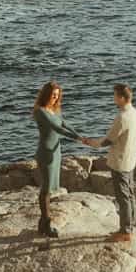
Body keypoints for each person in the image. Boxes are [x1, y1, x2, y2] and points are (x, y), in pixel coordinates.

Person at [32, 80, 99, 237]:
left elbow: (65, 124)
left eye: (57, 95)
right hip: (45, 152)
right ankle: (46, 223)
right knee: (46, 188)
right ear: (46, 95)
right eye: (52, 95)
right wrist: (77, 139)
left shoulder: (54, 110)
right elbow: (57, 129)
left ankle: (42, 223)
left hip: (56, 152)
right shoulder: (40, 112)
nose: (55, 98)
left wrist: (80, 136)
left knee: (50, 187)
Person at [99, 83, 136, 242]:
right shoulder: (135, 113)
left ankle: (125, 231)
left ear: (122, 98)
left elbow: (109, 140)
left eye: (115, 96)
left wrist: (93, 143)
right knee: (129, 195)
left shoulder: (122, 117)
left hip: (120, 162)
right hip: (130, 159)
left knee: (123, 197)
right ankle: (129, 227)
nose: (114, 98)